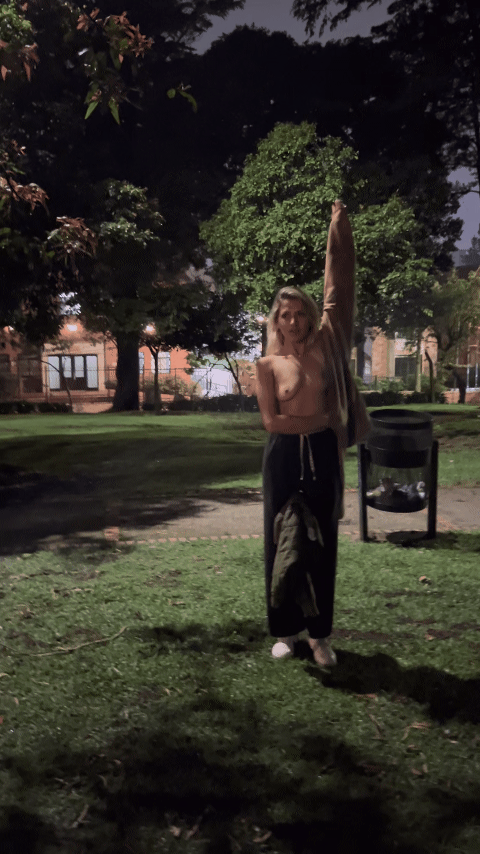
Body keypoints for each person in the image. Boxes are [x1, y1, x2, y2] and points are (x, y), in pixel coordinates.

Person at [256, 200, 370, 667]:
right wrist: (320, 421)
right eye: (285, 315)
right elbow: (271, 422)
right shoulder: (267, 364)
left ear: (308, 315)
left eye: (300, 313)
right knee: (279, 537)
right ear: (276, 320)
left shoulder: (327, 343)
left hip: (322, 455)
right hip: (282, 456)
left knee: (322, 541)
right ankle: (285, 631)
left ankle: (319, 636)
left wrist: (337, 230)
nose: (294, 321)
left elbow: (338, 288)